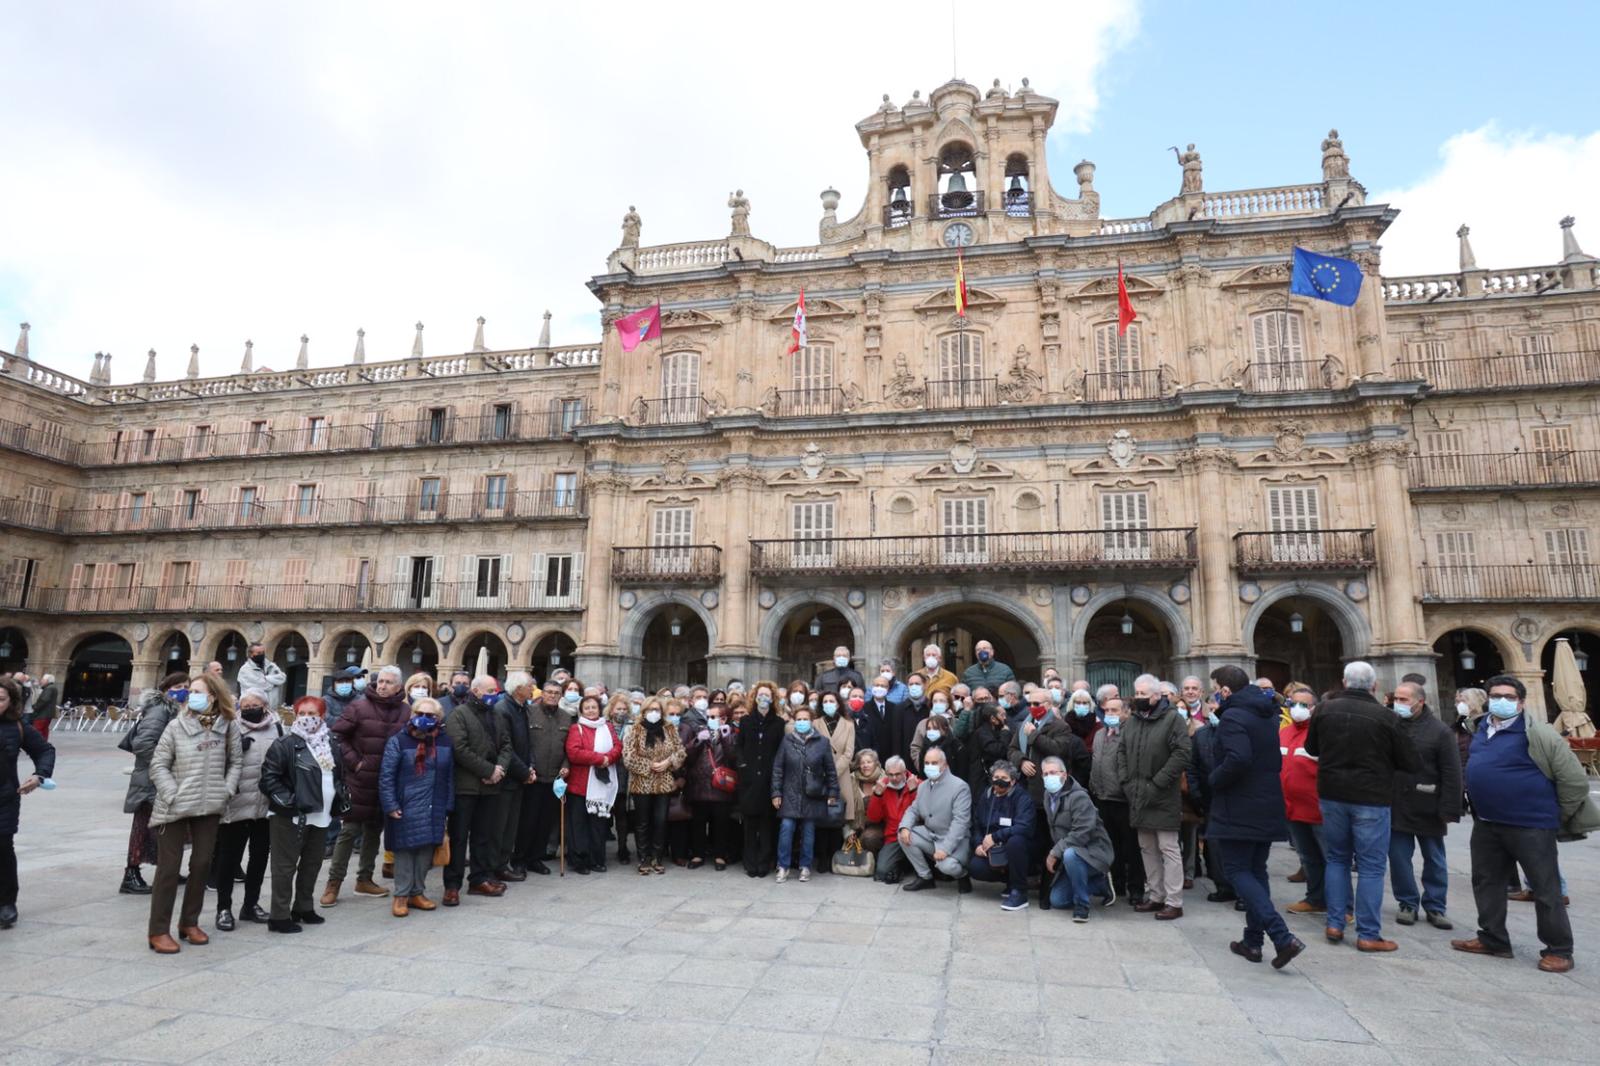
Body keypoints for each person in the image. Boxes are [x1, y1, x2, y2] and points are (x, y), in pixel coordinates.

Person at [1452, 676, 1599, 973]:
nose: (1500, 700)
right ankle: (1493, 938)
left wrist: (1556, 815)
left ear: (1520, 702)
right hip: (1487, 823)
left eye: (1508, 696)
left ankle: (1559, 949)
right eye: (1495, 695)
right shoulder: (1480, 728)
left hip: (1530, 825)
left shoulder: (1539, 733)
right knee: (1486, 883)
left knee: (1546, 889)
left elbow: (1573, 780)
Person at [1305, 661, 1420, 952]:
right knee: (1370, 867)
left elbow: (1311, 749)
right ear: (1374, 685)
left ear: (1344, 682)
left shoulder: (1324, 710)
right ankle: (1368, 934)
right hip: (1371, 797)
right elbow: (1410, 762)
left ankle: (1335, 922)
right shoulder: (1386, 717)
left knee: (1337, 859)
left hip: (1332, 795)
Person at [1206, 666, 1305, 969]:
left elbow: (1238, 758)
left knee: (1236, 870)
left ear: (1224, 691)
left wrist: (1214, 780)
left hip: (1239, 804)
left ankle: (1281, 936)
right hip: (1266, 800)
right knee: (1256, 871)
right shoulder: (1266, 713)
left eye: (1216, 689)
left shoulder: (1234, 716)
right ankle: (1252, 941)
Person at [146, 673, 242, 954]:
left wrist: (226, 789)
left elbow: (236, 761)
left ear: (213, 696)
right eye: (190, 692)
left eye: (198, 691)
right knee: (168, 869)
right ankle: (158, 930)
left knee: (201, 865)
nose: (191, 696)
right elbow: (158, 765)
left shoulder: (228, 727)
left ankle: (189, 922)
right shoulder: (176, 726)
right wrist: (172, 794)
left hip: (210, 804)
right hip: (175, 805)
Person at [260, 696, 349, 933]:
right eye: (302, 713)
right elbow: (269, 779)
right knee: (284, 866)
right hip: (291, 816)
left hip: (322, 814)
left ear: (322, 716)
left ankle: (303, 906)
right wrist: (289, 802)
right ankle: (279, 915)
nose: (307, 718)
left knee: (311, 864)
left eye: (313, 713)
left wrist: (341, 798)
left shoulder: (330, 742)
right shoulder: (285, 744)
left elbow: (338, 774)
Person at [324, 664, 409, 905]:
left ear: (399, 687)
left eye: (388, 682)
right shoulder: (359, 706)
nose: (382, 686)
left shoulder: (405, 711)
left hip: (386, 782)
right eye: (380, 681)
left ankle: (365, 879)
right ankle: (334, 883)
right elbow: (337, 736)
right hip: (359, 780)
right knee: (349, 831)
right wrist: (355, 763)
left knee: (374, 831)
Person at [1389, 679, 1462, 930]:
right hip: (1396, 803)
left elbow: (1452, 771)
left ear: (1420, 701)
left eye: (1403, 700)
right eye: (1395, 699)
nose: (1397, 704)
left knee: (1435, 858)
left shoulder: (1440, 731)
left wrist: (1450, 808)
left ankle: (1435, 905)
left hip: (1429, 803)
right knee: (1398, 857)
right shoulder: (1389, 725)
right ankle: (1407, 902)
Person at [1116, 674, 1190, 920]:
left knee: (1168, 848)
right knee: (1146, 847)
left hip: (1162, 795)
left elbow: (1181, 753)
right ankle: (1156, 895)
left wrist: (1158, 782)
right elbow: (1122, 751)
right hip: (1137, 793)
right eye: (1136, 694)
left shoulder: (1172, 720)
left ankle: (1173, 900)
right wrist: (1126, 780)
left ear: (1157, 696)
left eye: (1143, 695)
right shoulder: (1134, 721)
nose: (1138, 698)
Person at [380, 696, 453, 917]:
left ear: (438, 718)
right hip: (406, 803)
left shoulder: (445, 741)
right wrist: (390, 804)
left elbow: (450, 775)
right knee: (405, 851)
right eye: (419, 714)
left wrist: (448, 804)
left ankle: (417, 893)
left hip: (434, 803)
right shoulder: (399, 740)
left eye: (429, 716)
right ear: (412, 715)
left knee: (425, 850)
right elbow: (386, 776)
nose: (424, 719)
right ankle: (401, 895)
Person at [441, 676, 513, 902]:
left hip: (491, 788)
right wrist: (488, 771)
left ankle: (479, 879)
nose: (494, 693)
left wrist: (499, 769)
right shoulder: (459, 715)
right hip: (466, 787)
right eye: (490, 690)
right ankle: (452, 885)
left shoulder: (497, 715)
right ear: (476, 691)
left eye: (496, 690)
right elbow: (459, 749)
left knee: (483, 836)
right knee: (459, 837)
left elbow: (506, 745)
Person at [213, 690, 279, 930]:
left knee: (260, 858)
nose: (251, 707)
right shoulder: (229, 726)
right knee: (229, 859)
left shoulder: (278, 728)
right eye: (246, 704)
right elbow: (214, 760)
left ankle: (250, 904)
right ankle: (223, 908)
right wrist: (230, 750)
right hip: (236, 804)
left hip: (266, 805)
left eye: (256, 704)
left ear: (265, 705)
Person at [119, 672, 187, 896]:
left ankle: (167, 870)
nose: (183, 689)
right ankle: (130, 875)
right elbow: (144, 743)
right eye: (178, 685)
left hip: (159, 779)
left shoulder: (174, 710)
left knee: (164, 829)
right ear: (166, 689)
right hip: (150, 780)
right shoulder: (160, 710)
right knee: (143, 827)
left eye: (186, 685)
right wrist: (165, 766)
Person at [0, 677, 55, 930]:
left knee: (3, 850)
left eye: (1, 699)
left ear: (10, 702)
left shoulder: (18, 726)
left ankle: (6, 902)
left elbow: (45, 750)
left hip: (4, 799)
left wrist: (38, 775)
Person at [770, 705, 839, 883]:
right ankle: (783, 866)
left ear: (811, 721)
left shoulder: (822, 742)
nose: (801, 722)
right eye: (798, 719)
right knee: (786, 828)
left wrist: (833, 792)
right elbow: (778, 768)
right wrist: (776, 793)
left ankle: (805, 866)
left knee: (808, 831)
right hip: (790, 793)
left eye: (805, 719)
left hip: (812, 794)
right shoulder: (787, 740)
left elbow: (830, 770)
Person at [1041, 755, 1113, 922]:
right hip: (1071, 854)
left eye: (1053, 772)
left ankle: (1082, 906)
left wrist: (1055, 852)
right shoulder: (1047, 795)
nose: (1049, 777)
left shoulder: (1079, 797)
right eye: (1045, 774)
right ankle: (1100, 885)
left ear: (1064, 775)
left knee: (1070, 854)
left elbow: (1082, 832)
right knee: (1057, 901)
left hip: (1094, 852)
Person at [1089, 696, 1142, 908]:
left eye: (1115, 710)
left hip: (1124, 800)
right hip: (1103, 798)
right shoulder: (1100, 734)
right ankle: (1116, 885)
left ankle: (1136, 889)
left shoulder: (1131, 734)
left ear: (1126, 713)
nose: (1110, 714)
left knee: (1132, 848)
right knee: (1111, 846)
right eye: (1107, 710)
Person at [897, 746, 971, 893]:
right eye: (927, 763)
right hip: (931, 835)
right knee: (903, 835)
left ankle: (963, 875)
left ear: (945, 764)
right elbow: (913, 809)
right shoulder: (923, 785)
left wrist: (945, 849)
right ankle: (925, 877)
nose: (930, 767)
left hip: (953, 839)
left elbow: (960, 823)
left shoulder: (960, 787)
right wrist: (905, 826)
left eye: (934, 763)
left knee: (947, 866)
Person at [516, 680, 571, 875]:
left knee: (545, 822)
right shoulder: (529, 713)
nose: (552, 695)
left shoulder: (566, 718)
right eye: (549, 692)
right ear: (542, 693)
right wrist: (526, 769)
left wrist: (565, 767)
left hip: (554, 778)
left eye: (557, 693)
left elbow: (568, 749)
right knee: (528, 821)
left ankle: (536, 858)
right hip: (532, 778)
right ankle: (520, 859)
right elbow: (523, 743)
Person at [627, 697, 686, 875]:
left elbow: (681, 751)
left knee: (660, 820)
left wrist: (669, 762)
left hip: (664, 782)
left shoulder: (669, 729)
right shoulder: (636, 730)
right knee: (642, 822)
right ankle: (643, 858)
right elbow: (628, 756)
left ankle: (657, 857)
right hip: (642, 783)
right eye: (650, 709)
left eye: (657, 710)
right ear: (644, 711)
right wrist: (649, 765)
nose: (654, 713)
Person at [1280, 686, 1326, 917]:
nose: (1297, 709)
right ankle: (1315, 898)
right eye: (1293, 703)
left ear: (1314, 708)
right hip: (1292, 808)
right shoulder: (1284, 732)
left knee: (1331, 859)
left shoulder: (1321, 733)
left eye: (1304, 705)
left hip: (1318, 808)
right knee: (1308, 858)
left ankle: (1342, 904)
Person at [565, 695, 622, 875]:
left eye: (594, 707)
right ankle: (579, 860)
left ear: (599, 709)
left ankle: (597, 859)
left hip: (601, 785)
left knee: (598, 825)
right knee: (578, 825)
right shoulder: (577, 728)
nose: (591, 710)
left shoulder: (608, 727)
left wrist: (609, 758)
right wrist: (600, 759)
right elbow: (574, 752)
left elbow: (617, 747)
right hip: (580, 785)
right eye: (587, 707)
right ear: (582, 710)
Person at [968, 759, 1035, 910]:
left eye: (1004, 778)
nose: (999, 781)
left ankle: (1019, 891)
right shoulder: (986, 796)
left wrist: (996, 837)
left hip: (1015, 847)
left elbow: (1024, 827)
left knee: (1015, 842)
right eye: (996, 777)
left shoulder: (1022, 798)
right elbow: (977, 823)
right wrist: (979, 843)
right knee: (975, 867)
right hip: (992, 849)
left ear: (1012, 781)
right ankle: (1009, 882)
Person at [493, 672, 536, 882]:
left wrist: (531, 767)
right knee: (500, 825)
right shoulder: (503, 709)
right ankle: (497, 866)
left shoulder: (522, 708)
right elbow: (505, 746)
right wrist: (525, 772)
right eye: (530, 686)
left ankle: (503, 863)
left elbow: (528, 742)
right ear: (518, 688)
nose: (532, 689)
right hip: (507, 779)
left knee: (511, 826)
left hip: (518, 777)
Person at [683, 699, 736, 870]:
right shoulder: (699, 732)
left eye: (715, 717)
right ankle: (698, 854)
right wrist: (697, 741)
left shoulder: (731, 734)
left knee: (720, 823)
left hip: (720, 786)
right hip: (700, 784)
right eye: (708, 716)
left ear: (724, 719)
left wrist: (726, 738)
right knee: (698, 822)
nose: (710, 719)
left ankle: (719, 855)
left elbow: (734, 758)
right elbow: (688, 757)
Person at [814, 690, 858, 870]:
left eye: (832, 700)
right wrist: (824, 770)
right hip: (820, 774)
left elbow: (849, 753)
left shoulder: (848, 724)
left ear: (838, 703)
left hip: (841, 775)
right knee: (822, 816)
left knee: (837, 816)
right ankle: (822, 858)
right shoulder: (815, 723)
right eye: (825, 701)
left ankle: (834, 857)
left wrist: (833, 771)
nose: (829, 704)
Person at [865, 755, 919, 883]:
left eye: (898, 774)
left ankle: (909, 864)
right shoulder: (882, 786)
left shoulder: (916, 783)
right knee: (882, 872)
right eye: (890, 774)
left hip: (915, 833)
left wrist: (913, 791)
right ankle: (902, 865)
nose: (894, 778)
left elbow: (923, 813)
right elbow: (873, 818)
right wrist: (877, 795)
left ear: (905, 772)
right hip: (893, 836)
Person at [237, 643, 287, 709]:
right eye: (259, 653)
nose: (262, 655)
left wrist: (266, 678)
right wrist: (274, 683)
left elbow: (282, 678)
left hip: (272, 709)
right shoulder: (245, 670)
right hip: (253, 708)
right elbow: (263, 686)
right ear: (251, 655)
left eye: (263, 652)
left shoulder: (271, 665)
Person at [23, 673, 57, 741]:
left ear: (47, 680)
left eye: (43, 679)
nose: (41, 681)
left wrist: (35, 707)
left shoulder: (49, 688)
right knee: (44, 730)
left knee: (38, 729)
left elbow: (44, 700)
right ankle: (43, 742)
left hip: (43, 713)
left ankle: (37, 743)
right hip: (48, 713)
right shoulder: (52, 687)